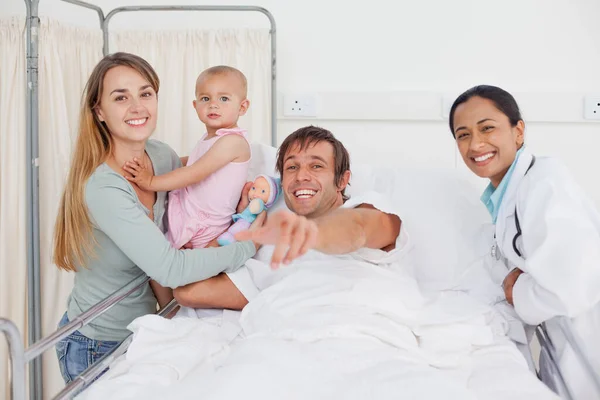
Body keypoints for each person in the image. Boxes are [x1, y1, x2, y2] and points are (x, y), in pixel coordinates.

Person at [52, 53, 260, 384]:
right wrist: (249, 244)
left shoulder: (160, 156)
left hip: (153, 332)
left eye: (145, 93)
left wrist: (245, 196)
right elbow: (170, 268)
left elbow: (204, 183)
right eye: (121, 97)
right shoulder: (104, 186)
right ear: (99, 111)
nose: (137, 107)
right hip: (101, 343)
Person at [449, 84, 600, 398]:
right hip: (568, 349)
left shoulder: (545, 184)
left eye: (487, 128)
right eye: (463, 134)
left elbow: (571, 288)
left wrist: (515, 290)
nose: (475, 144)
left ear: (518, 131)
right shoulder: (506, 197)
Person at [173, 125, 408, 310]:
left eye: (316, 166)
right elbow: (188, 290)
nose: (301, 176)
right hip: (285, 338)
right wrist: (238, 233)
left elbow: (359, 229)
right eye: (292, 168)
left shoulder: (367, 206)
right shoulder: (265, 247)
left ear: (342, 180)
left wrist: (309, 233)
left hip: (357, 328)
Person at [123, 65, 253, 249]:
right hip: (192, 218)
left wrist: (150, 181)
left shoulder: (233, 141)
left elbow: (194, 172)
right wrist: (156, 162)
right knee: (159, 271)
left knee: (166, 274)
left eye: (224, 98)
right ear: (195, 105)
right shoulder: (212, 138)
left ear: (242, 107)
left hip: (208, 226)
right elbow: (192, 160)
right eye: (205, 98)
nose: (213, 104)